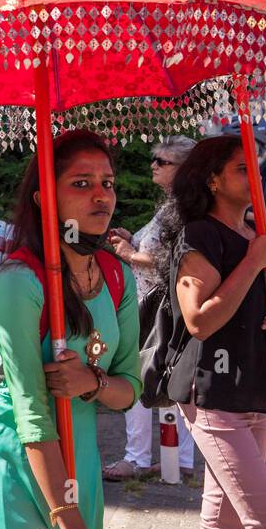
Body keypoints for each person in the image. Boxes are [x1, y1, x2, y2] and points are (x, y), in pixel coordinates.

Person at [0, 130, 141, 529]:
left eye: (107, 183)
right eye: (81, 183)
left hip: (81, 466)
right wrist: (65, 515)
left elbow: (130, 389)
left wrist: (90, 382)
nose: (101, 195)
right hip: (14, 465)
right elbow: (31, 414)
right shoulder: (19, 282)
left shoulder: (117, 276)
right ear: (45, 199)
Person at [163, 135, 266, 529]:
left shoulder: (256, 234)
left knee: (223, 519)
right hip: (213, 391)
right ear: (212, 180)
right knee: (265, 519)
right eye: (242, 168)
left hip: (256, 388)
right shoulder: (201, 235)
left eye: (256, 165)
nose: (255, 175)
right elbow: (198, 321)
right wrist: (255, 260)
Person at [103, 135, 197, 482]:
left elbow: (171, 259)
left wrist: (129, 254)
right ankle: (178, 460)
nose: (154, 164)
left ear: (184, 169)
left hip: (157, 308)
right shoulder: (175, 205)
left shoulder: (183, 206)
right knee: (168, 378)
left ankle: (138, 458)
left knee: (141, 376)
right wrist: (131, 241)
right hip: (157, 306)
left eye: (163, 161)